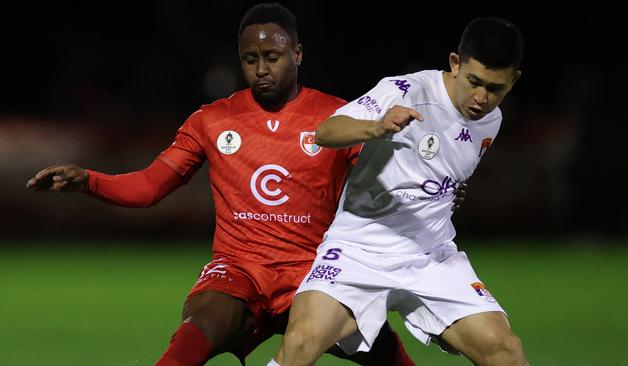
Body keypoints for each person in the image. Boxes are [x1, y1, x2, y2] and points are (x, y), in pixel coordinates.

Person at [25, 3, 434, 366]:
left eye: (271, 57)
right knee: (200, 324)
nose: (260, 69)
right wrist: (87, 180)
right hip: (240, 271)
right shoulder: (212, 119)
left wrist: (435, 193)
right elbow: (150, 187)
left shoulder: (338, 119)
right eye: (249, 59)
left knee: (381, 348)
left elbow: (389, 187)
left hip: (314, 274)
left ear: (297, 53)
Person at [269, 17, 528, 366]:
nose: (481, 98)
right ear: (455, 63)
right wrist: (375, 127)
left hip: (430, 256)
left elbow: (441, 170)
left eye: (495, 88)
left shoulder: (490, 119)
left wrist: (448, 193)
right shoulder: (406, 91)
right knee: (300, 344)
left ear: (513, 81)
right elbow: (326, 132)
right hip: (359, 250)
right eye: (474, 81)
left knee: (506, 351)